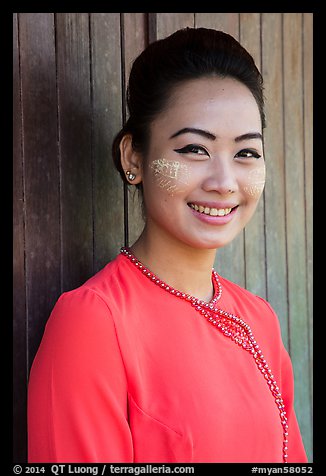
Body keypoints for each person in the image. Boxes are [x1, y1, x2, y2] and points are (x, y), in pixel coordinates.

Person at [27, 27, 308, 463]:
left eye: (246, 153)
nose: (224, 183)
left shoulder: (259, 321)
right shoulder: (95, 323)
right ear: (133, 158)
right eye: (195, 149)